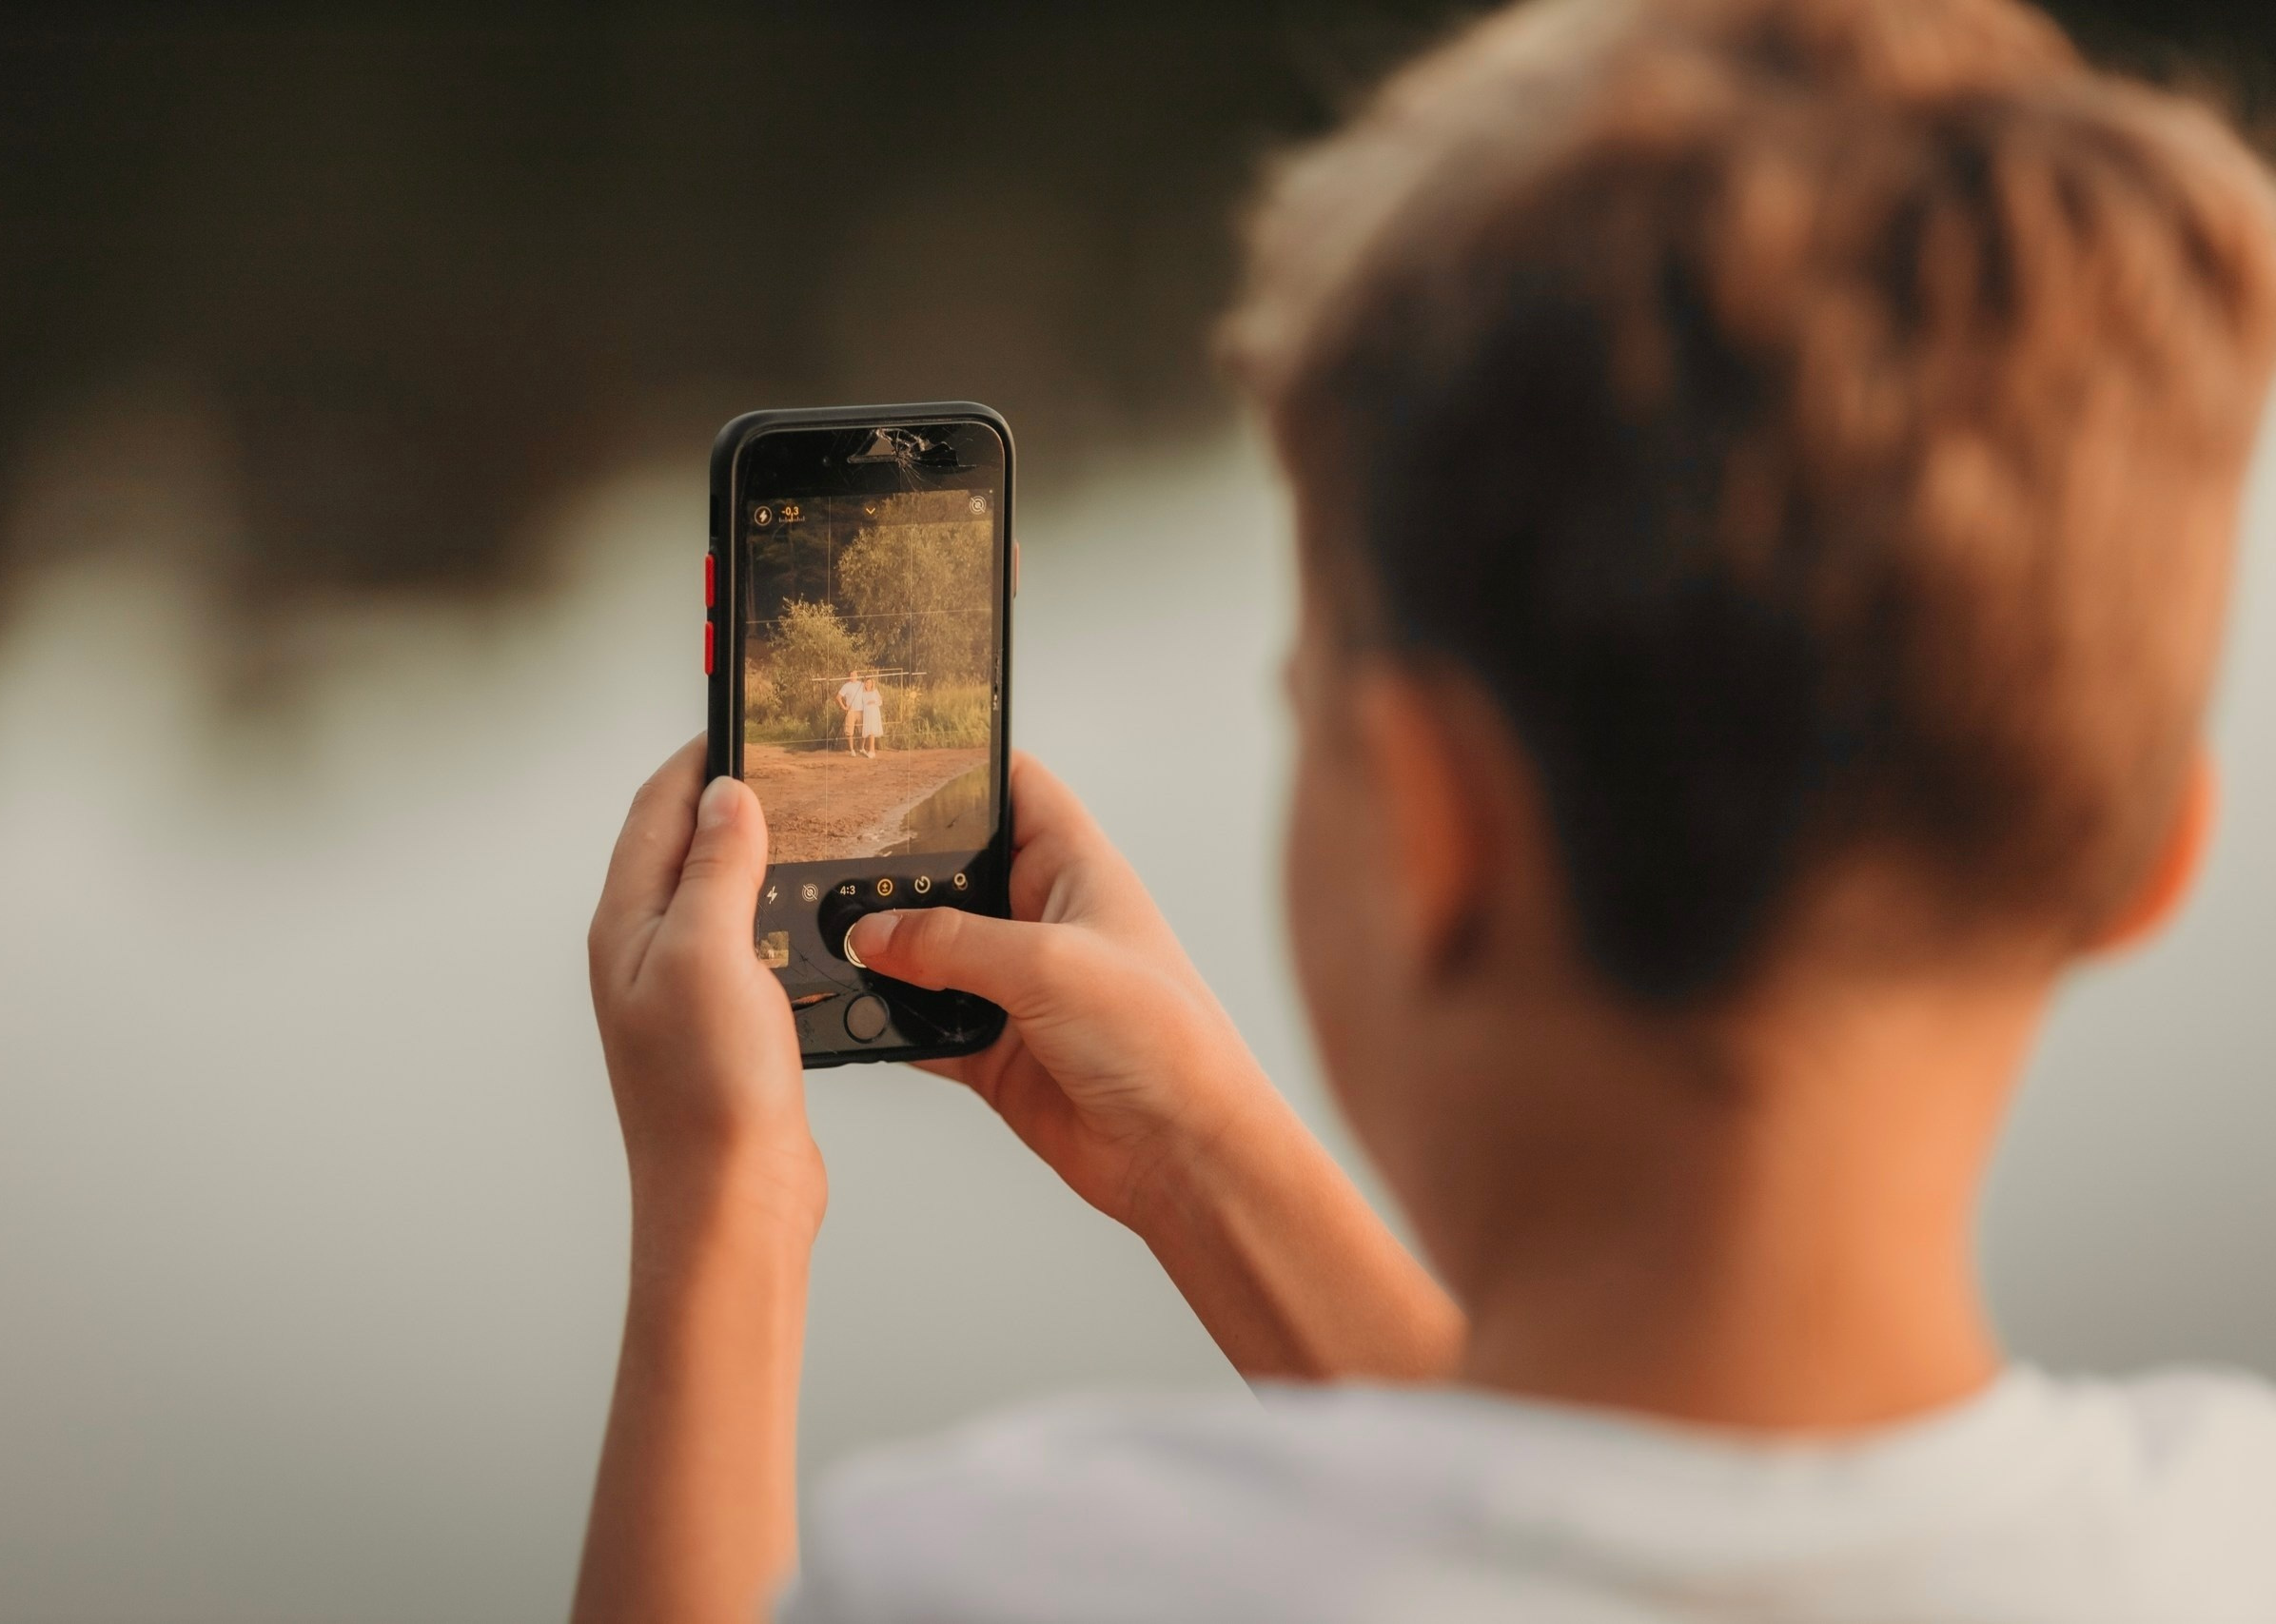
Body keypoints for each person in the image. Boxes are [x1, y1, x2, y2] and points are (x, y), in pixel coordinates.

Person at [572, 1, 2276, 1618]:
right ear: (2143, 861)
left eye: (1304, 711)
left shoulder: (1009, 1574)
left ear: (1425, 820)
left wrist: (724, 1214)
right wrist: (1194, 1157)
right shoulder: (2230, 1530)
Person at [834, 669, 864, 755]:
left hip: (861, 711)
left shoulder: (861, 685)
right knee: (850, 731)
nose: (853, 676)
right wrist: (844, 707)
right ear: (849, 676)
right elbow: (838, 697)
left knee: (862, 731)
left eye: (854, 674)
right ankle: (852, 750)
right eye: (851, 675)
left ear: (857, 675)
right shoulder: (846, 686)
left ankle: (862, 748)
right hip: (851, 711)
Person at [859, 676, 884, 759]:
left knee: (872, 731)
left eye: (869, 683)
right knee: (869, 732)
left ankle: (871, 751)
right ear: (865, 684)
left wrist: (874, 701)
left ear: (872, 684)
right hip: (867, 713)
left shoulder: (875, 692)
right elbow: (862, 704)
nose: (868, 684)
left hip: (874, 713)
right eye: (866, 683)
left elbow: (880, 702)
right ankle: (872, 751)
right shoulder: (863, 693)